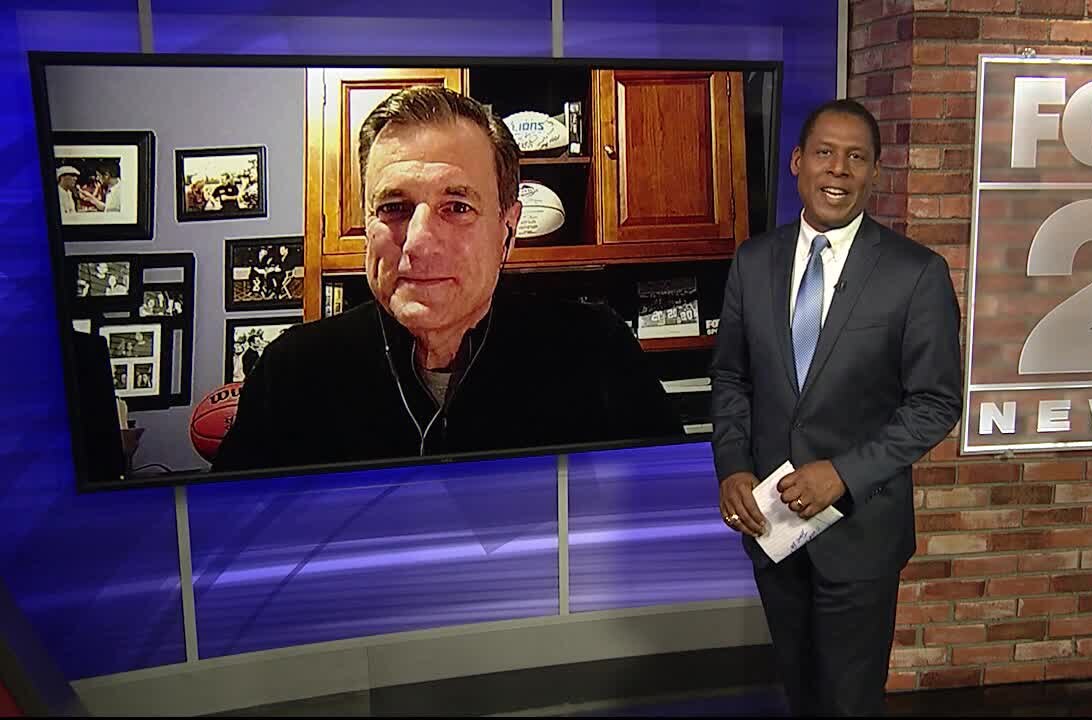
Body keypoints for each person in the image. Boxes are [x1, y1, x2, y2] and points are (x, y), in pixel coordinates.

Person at [213, 86, 681, 472]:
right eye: (392, 207)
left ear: (507, 231)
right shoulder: (290, 373)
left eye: (457, 207)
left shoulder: (596, 352)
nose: (417, 241)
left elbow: (671, 517)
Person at [710, 98, 963, 716]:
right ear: (798, 161)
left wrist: (843, 474)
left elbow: (936, 403)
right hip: (773, 524)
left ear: (874, 172)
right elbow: (731, 378)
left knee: (849, 702)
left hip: (861, 533)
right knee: (801, 694)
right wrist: (733, 466)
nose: (839, 170)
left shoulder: (916, 273)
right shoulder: (753, 261)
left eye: (856, 158)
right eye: (825, 152)